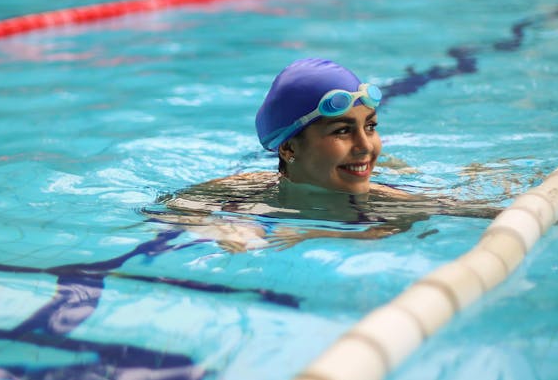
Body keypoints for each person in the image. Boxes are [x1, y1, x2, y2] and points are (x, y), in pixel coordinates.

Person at [149, 58, 520, 252]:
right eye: (342, 131)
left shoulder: (389, 202)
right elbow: (167, 207)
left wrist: (312, 234)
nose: (366, 146)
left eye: (370, 127)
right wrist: (217, 227)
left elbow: (489, 211)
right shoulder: (249, 188)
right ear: (289, 148)